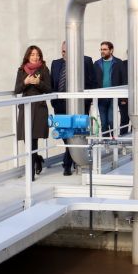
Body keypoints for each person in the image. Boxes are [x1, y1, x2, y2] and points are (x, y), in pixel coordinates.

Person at [50, 40, 96, 175]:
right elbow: (53, 83)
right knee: (64, 134)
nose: (64, 54)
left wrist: (88, 101)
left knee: (75, 133)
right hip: (60, 105)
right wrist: (54, 102)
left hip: (79, 104)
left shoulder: (86, 61)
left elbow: (92, 81)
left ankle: (67, 164)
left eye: (67, 51)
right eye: (63, 51)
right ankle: (72, 159)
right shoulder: (56, 63)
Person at [14, 45, 52, 180]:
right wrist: (25, 82)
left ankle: (30, 175)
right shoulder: (21, 70)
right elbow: (16, 90)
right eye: (32, 55)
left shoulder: (44, 69)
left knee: (33, 139)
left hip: (39, 109)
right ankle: (37, 159)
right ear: (28, 56)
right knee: (27, 139)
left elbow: (49, 89)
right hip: (25, 108)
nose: (35, 57)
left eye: (37, 55)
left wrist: (38, 82)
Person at [93, 41, 126, 134]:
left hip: (114, 96)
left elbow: (124, 79)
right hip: (101, 97)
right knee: (103, 123)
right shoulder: (96, 64)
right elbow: (93, 81)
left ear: (111, 50)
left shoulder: (118, 63)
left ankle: (112, 142)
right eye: (101, 49)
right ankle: (105, 144)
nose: (102, 51)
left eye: (105, 49)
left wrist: (123, 97)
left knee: (111, 121)